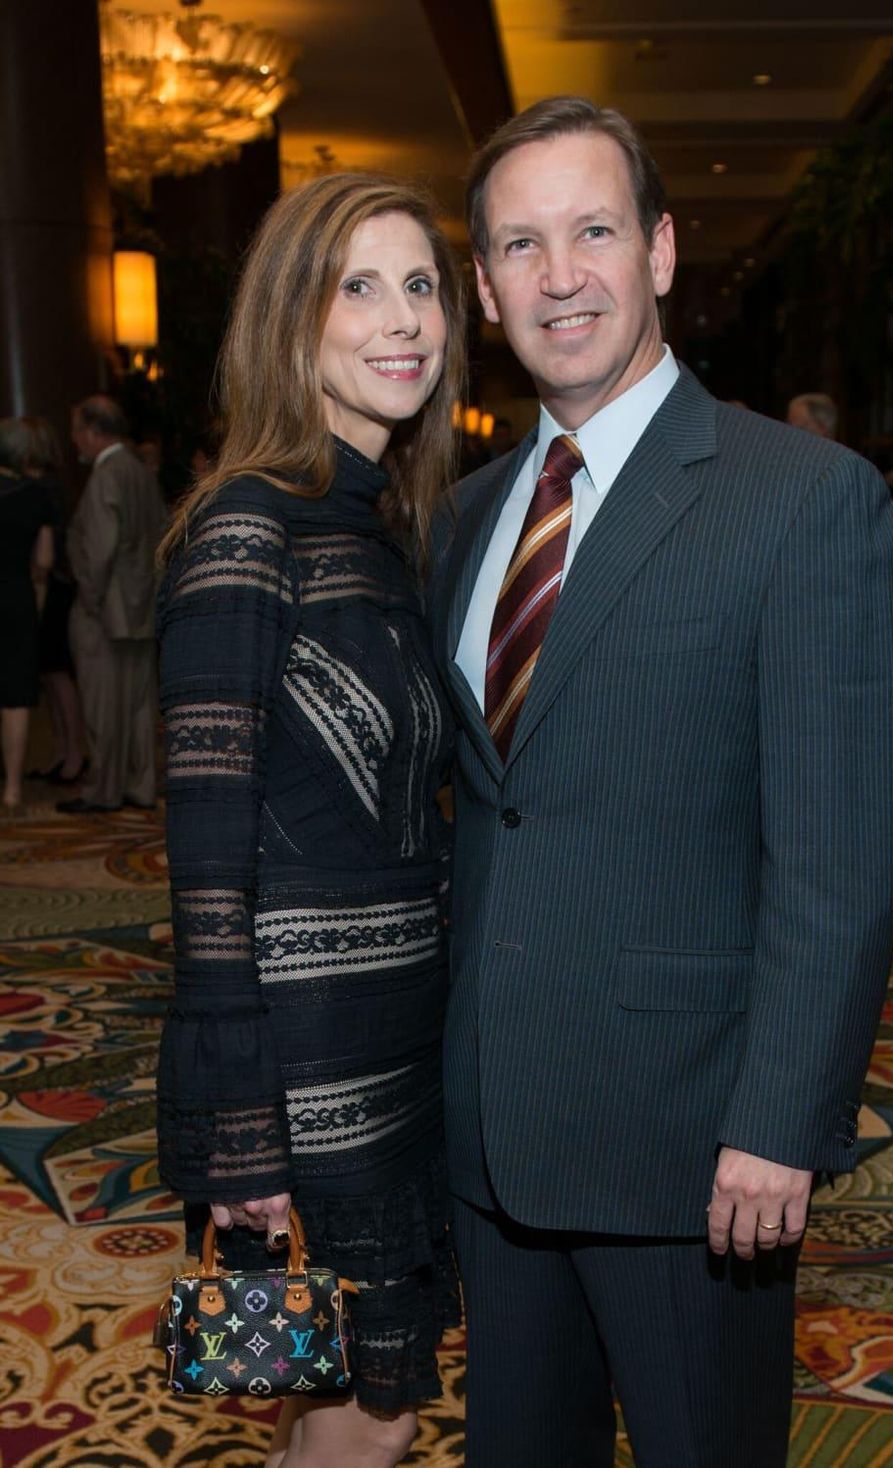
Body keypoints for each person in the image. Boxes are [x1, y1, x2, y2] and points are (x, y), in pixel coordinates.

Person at [429, 96, 893, 1468]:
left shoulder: (800, 498)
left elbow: (838, 856)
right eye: (521, 247)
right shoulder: (469, 516)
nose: (560, 274)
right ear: (484, 287)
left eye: (593, 231)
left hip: (694, 1149)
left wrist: (780, 1119)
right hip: (492, 1128)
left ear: (659, 250)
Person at [155, 173, 466, 1468]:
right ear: (292, 319)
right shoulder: (246, 528)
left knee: (359, 1407)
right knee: (371, 1412)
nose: (404, 320)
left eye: (422, 285)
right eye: (360, 285)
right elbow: (207, 861)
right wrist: (239, 1129)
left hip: (403, 1049)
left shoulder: (382, 530)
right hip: (307, 1071)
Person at [59, 396, 167, 814]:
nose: (73, 441)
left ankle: (102, 791)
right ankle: (140, 785)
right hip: (140, 608)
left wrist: (89, 599)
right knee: (139, 706)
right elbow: (160, 533)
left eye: (75, 430)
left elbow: (99, 550)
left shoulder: (106, 474)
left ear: (92, 431)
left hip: (107, 611)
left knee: (103, 706)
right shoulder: (140, 470)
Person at [19, 417, 88, 786]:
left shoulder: (46, 488)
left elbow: (55, 548)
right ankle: (64, 751)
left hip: (57, 587)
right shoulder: (42, 486)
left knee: (59, 675)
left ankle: (74, 754)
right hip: (51, 586)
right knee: (50, 674)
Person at [0, 419, 55, 814]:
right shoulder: (37, 496)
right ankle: (13, 789)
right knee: (16, 697)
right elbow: (45, 560)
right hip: (17, 597)